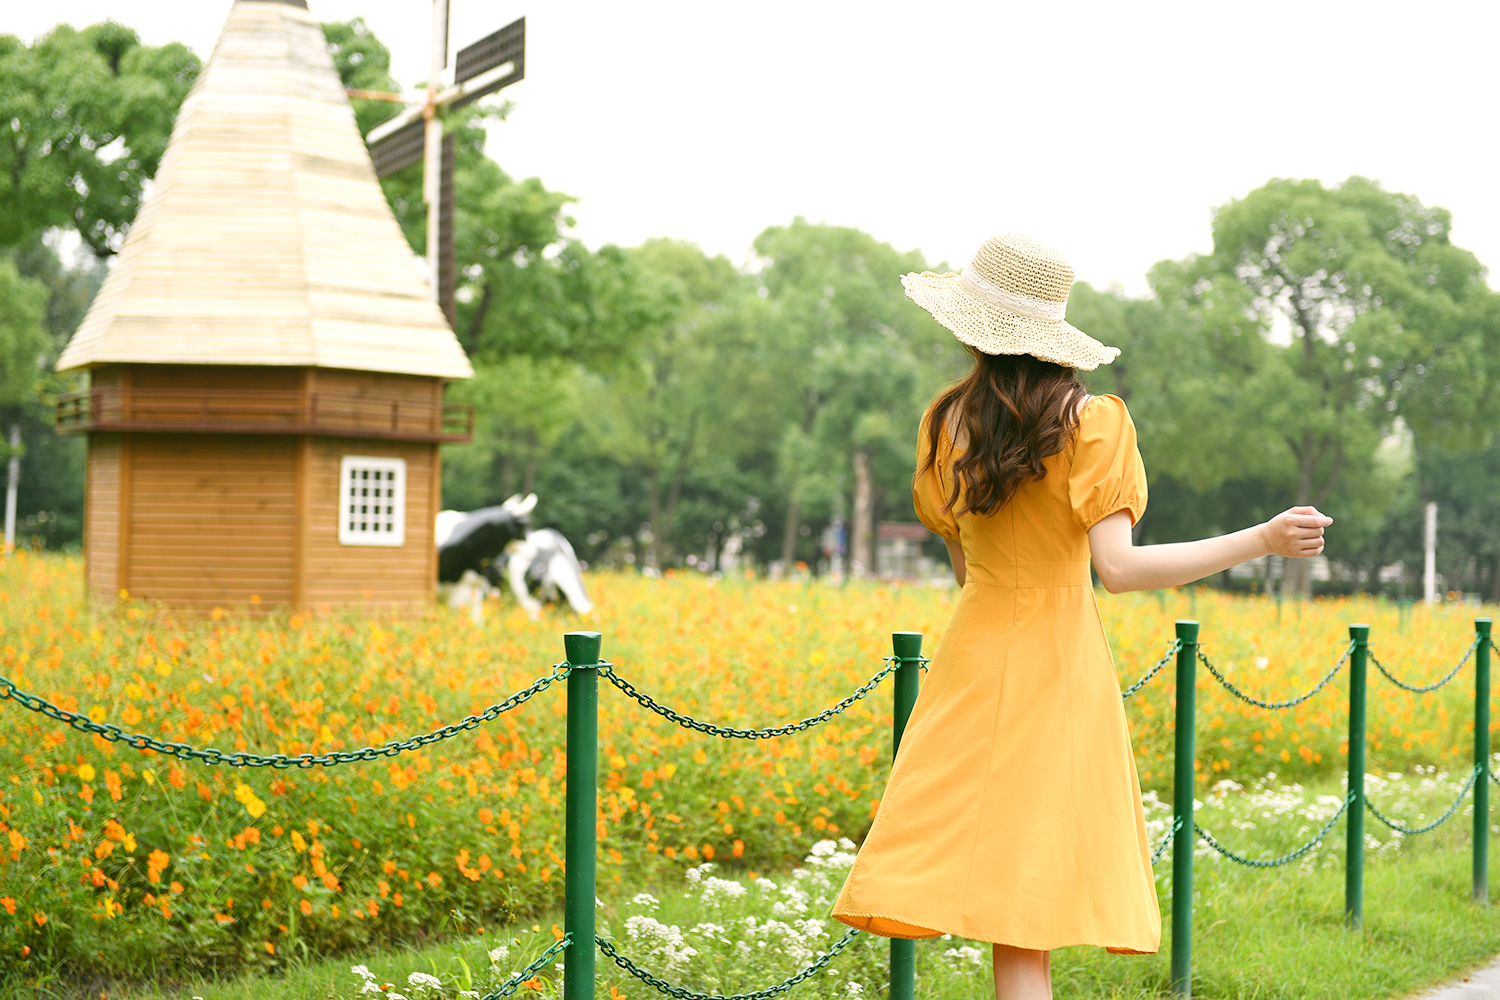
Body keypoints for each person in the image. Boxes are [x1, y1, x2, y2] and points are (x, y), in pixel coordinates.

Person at [830, 234, 1331, 999]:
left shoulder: (943, 425)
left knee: (1003, 906)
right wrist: (1261, 539)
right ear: (1053, 337)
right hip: (1058, 667)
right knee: (1026, 915)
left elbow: (969, 568)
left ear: (973, 329)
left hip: (973, 660)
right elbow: (1120, 570)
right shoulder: (1092, 423)